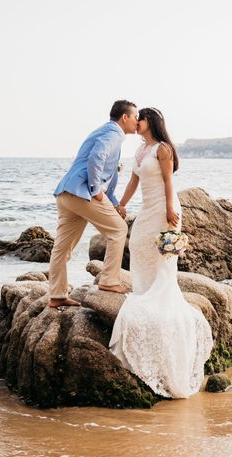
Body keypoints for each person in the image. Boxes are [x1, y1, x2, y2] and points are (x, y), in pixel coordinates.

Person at [109, 107, 213, 398]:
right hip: (146, 210)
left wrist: (170, 208)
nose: (137, 123)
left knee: (162, 258)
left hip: (165, 209)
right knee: (137, 245)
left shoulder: (163, 149)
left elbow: (169, 182)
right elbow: (133, 181)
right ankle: (144, 293)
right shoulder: (141, 150)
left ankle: (160, 300)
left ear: (149, 122)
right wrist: (122, 204)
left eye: (139, 119)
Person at [47, 100, 138, 308]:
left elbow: (108, 176)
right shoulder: (114, 133)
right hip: (82, 193)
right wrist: (95, 189)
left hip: (66, 193)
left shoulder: (105, 131)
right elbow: (97, 157)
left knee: (61, 249)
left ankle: (57, 295)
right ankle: (109, 281)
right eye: (135, 116)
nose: (137, 120)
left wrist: (114, 202)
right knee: (118, 229)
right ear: (125, 117)